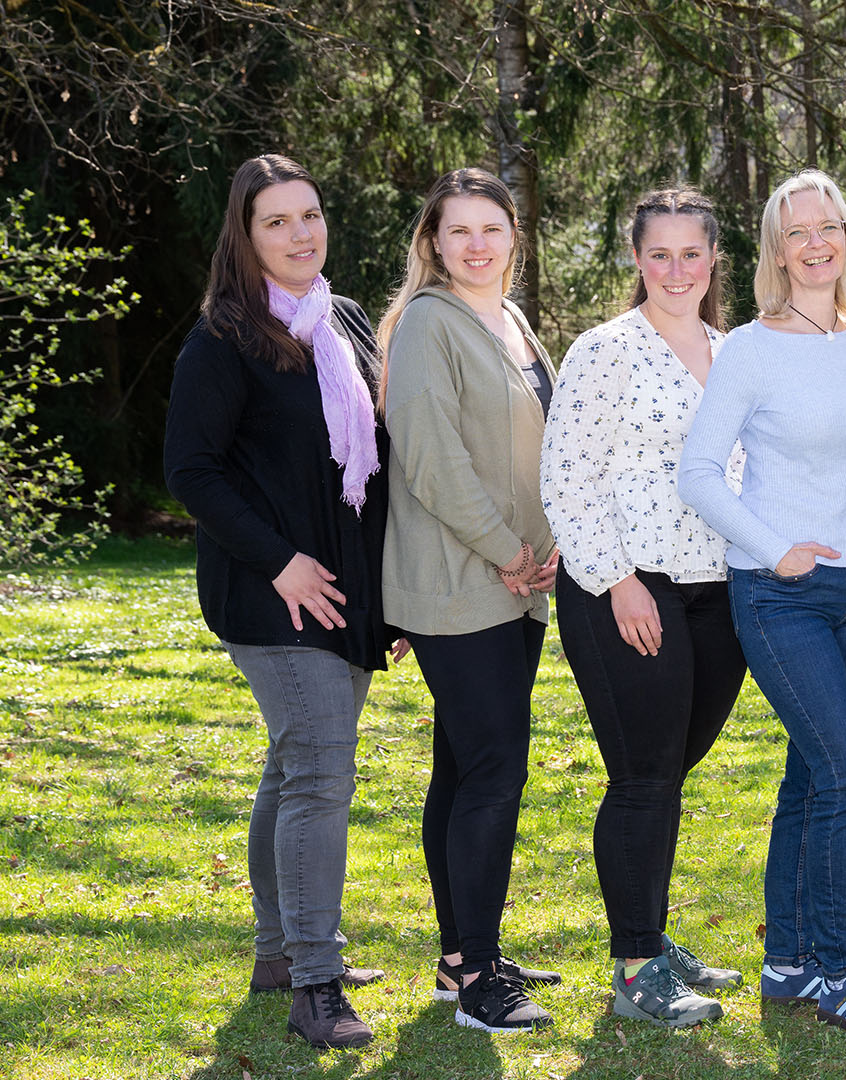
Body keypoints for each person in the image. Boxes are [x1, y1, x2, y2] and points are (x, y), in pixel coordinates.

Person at [677, 169, 846, 1035]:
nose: (815, 244)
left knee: (812, 775)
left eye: (829, 228)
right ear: (775, 252)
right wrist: (774, 548)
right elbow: (698, 472)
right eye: (796, 232)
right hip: (783, 596)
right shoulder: (749, 347)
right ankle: (839, 971)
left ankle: (786, 962)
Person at [164, 153, 395, 1049]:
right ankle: (314, 984)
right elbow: (191, 469)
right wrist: (280, 564)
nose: (300, 234)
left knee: (292, 770)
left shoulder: (341, 321)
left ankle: (274, 952)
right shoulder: (225, 335)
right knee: (321, 779)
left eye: (310, 214)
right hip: (270, 596)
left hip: (343, 593)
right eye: (277, 221)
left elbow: (370, 471)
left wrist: (387, 601)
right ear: (245, 235)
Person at [540, 187, 747, 1028]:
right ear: (636, 260)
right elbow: (565, 476)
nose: (675, 270)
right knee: (643, 778)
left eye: (690, 253)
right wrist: (618, 579)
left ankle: (653, 939)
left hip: (720, 588)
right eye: (658, 254)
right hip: (625, 586)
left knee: (671, 770)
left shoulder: (735, 351)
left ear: (712, 260)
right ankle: (634, 969)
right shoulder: (606, 350)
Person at [378, 167, 564, 1034]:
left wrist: (543, 550)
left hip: (517, 584)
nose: (478, 245)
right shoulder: (426, 325)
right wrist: (506, 551)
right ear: (433, 243)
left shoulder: (512, 321)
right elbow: (431, 455)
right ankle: (480, 978)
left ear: (512, 238)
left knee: (462, 766)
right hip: (464, 584)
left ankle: (461, 958)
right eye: (460, 232)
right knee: (494, 770)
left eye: (493, 229)